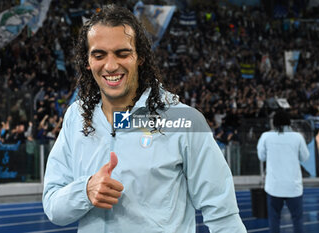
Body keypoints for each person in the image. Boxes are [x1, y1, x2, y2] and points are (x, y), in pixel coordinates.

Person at [42, 5, 246, 232]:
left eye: (122, 53)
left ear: (140, 57)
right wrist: (85, 192)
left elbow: (223, 216)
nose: (110, 65)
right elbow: (52, 206)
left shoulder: (183, 120)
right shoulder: (76, 116)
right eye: (99, 55)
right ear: (88, 62)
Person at [257, 110, 309, 233]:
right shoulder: (298, 137)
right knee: (297, 219)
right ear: (289, 122)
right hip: (293, 187)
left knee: (274, 219)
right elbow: (305, 157)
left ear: (273, 122)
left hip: (274, 187)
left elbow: (261, 156)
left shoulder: (266, 136)